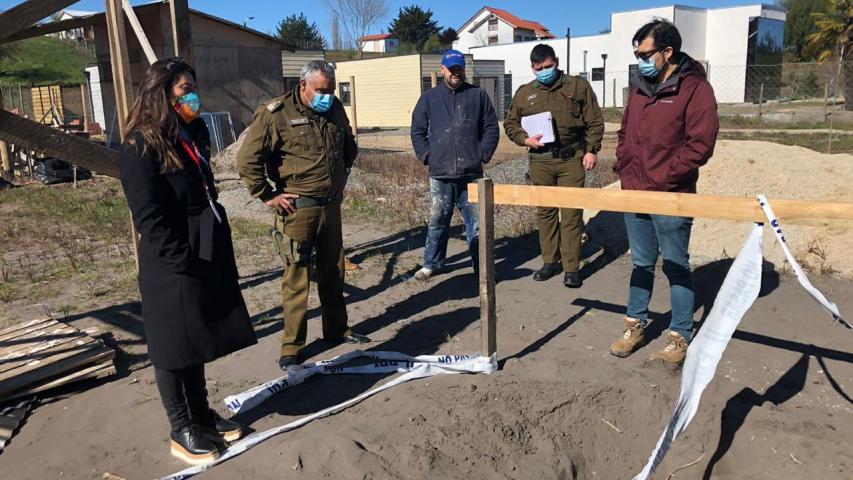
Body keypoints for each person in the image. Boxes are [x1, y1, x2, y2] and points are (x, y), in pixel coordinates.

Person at [118, 58, 257, 465]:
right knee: (171, 347)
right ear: (161, 93)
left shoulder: (190, 132)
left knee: (194, 339)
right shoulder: (139, 146)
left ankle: (199, 414)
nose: (193, 94)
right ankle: (181, 428)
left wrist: (204, 251)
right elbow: (148, 216)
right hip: (169, 261)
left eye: (193, 86)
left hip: (200, 250)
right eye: (184, 88)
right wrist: (180, 257)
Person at [236, 60, 369, 369]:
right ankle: (292, 346)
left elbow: (348, 143)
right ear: (304, 86)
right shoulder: (276, 113)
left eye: (331, 89)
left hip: (330, 207)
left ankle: (336, 329)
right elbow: (247, 161)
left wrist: (344, 170)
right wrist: (268, 196)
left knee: (333, 271)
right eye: (321, 90)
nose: (327, 95)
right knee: (297, 277)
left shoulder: (334, 107)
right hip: (297, 209)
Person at [609, 20, 719, 365]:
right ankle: (635, 325)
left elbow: (700, 144)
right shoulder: (640, 88)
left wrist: (668, 178)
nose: (640, 60)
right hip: (636, 191)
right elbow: (625, 133)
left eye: (645, 54)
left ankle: (680, 334)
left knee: (675, 264)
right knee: (641, 262)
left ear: (667, 52)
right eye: (637, 54)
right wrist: (625, 170)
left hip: (672, 194)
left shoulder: (695, 89)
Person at [504, 44, 604, 289]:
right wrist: (523, 139)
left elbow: (595, 120)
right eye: (539, 68)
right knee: (546, 212)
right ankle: (550, 261)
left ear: (556, 62)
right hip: (540, 160)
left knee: (570, 214)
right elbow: (511, 124)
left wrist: (591, 150)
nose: (544, 71)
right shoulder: (525, 93)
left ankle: (572, 267)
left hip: (571, 159)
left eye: (548, 66)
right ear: (532, 68)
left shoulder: (576, 86)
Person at [411, 49, 500, 281]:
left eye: (459, 69)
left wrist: (483, 153)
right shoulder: (429, 98)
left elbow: (491, 127)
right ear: (443, 70)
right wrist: (427, 156)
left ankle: (482, 267)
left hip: (471, 174)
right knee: (438, 220)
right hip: (440, 175)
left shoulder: (477, 95)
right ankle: (432, 264)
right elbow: (417, 131)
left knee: (476, 224)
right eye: (452, 69)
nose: (456, 73)